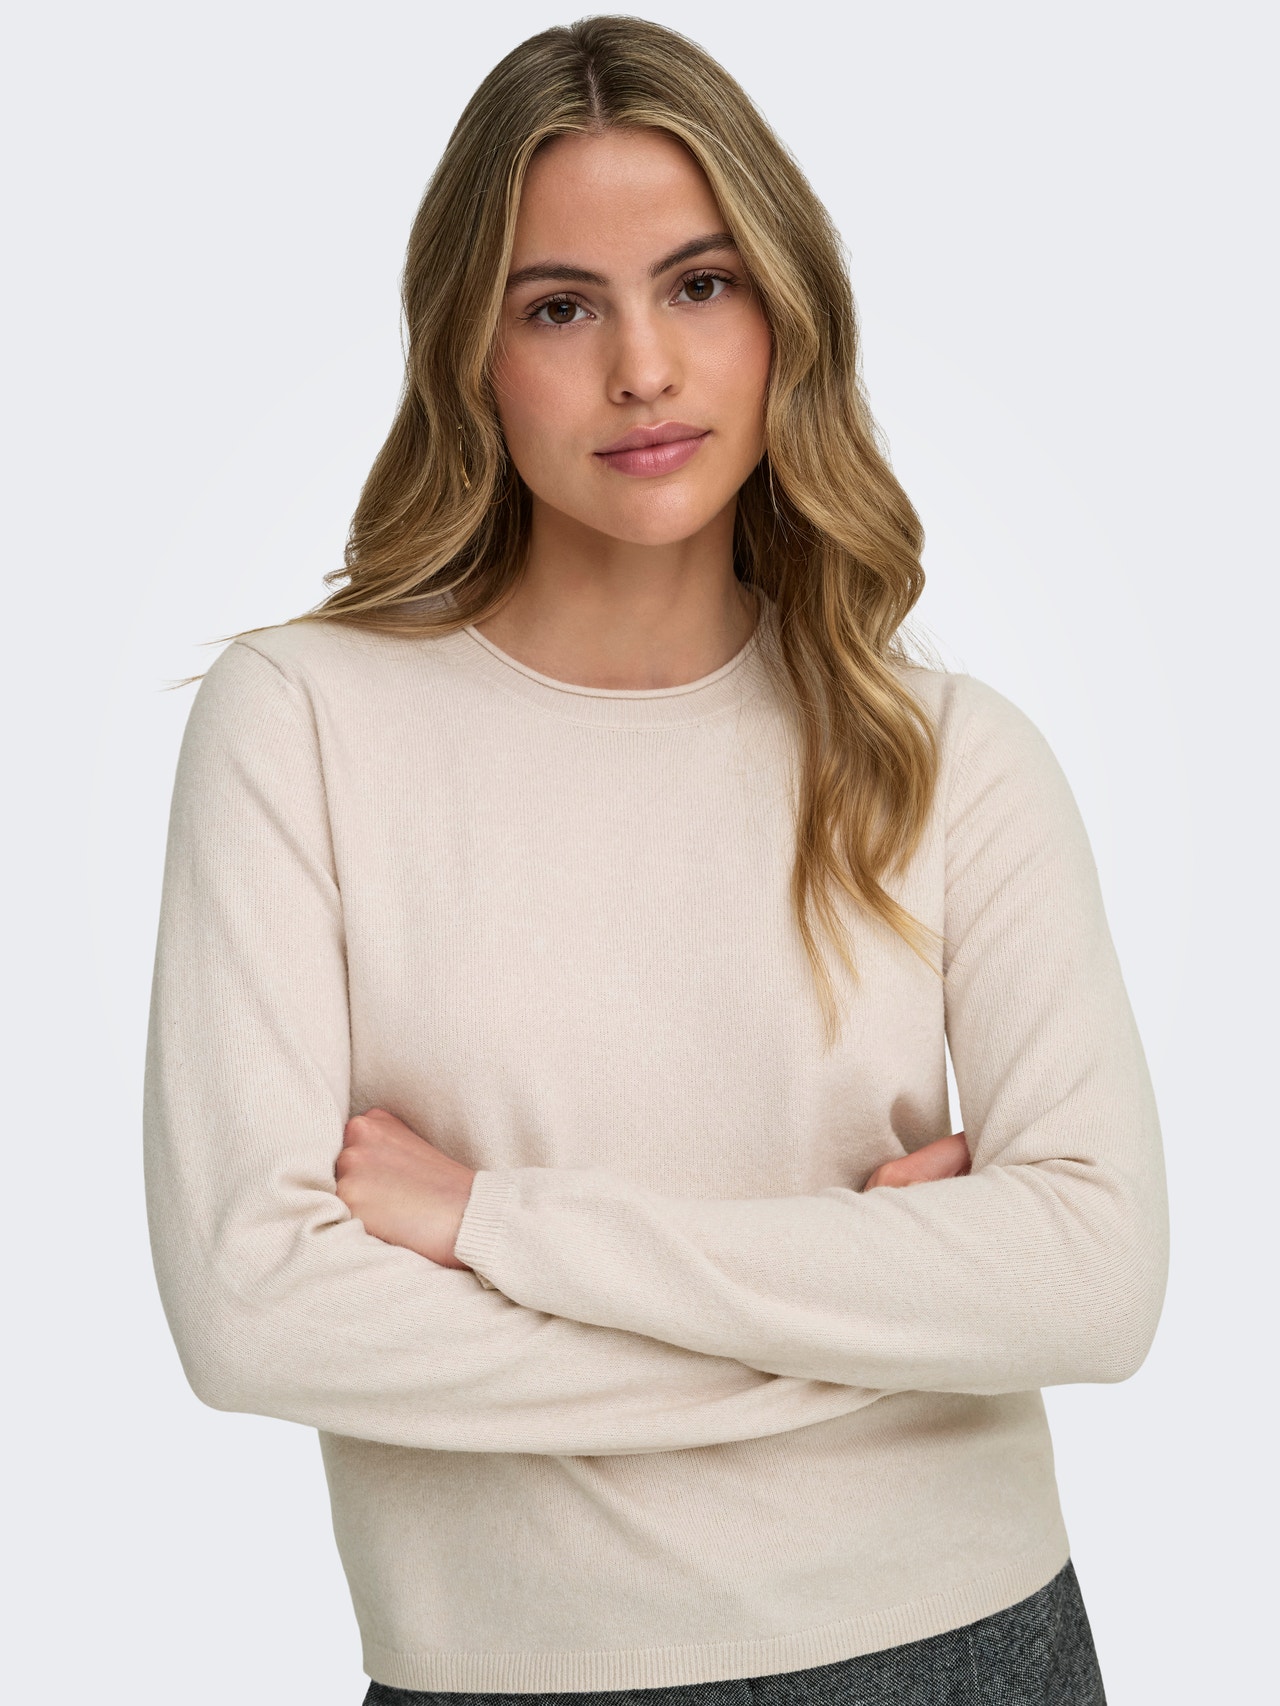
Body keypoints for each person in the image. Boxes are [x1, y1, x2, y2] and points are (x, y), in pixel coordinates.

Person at [142, 16, 1169, 1705]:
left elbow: (1096, 1279)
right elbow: (257, 1310)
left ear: (784, 314)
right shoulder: (302, 722)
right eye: (561, 307)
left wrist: (488, 1221)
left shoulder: (949, 754)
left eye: (700, 285)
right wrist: (868, 1316)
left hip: (964, 1640)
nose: (644, 367)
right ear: (470, 352)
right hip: (509, 1671)